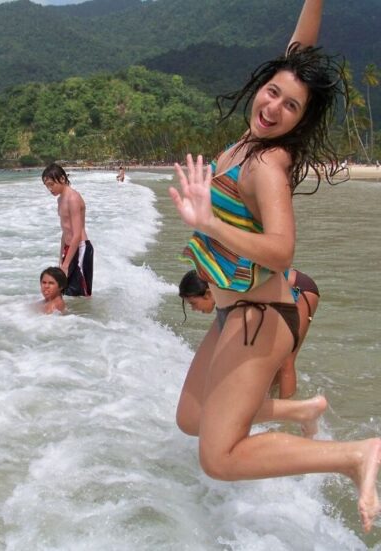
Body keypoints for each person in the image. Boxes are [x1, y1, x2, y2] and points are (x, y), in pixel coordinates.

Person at [168, 1, 381, 532]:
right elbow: (299, 48)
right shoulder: (249, 142)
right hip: (232, 315)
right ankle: (296, 411)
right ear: (261, 85)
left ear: (300, 120)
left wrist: (209, 223)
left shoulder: (268, 162)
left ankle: (355, 456)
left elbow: (283, 249)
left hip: (259, 318)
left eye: (291, 106)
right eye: (273, 92)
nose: (275, 106)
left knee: (218, 456)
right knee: (191, 418)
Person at [178, 269, 320, 402]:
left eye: (193, 303)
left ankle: (288, 419)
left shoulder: (232, 290)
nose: (193, 309)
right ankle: (272, 403)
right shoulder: (225, 298)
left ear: (208, 293)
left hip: (300, 291)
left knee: (286, 361)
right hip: (277, 300)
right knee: (272, 359)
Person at [42, 163, 92, 297]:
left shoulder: (73, 198)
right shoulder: (60, 200)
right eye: (47, 186)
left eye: (52, 184)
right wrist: (61, 259)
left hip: (80, 248)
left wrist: (65, 265)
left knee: (82, 295)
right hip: (68, 249)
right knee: (64, 293)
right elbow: (65, 231)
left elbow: (76, 234)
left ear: (63, 179)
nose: (49, 189)